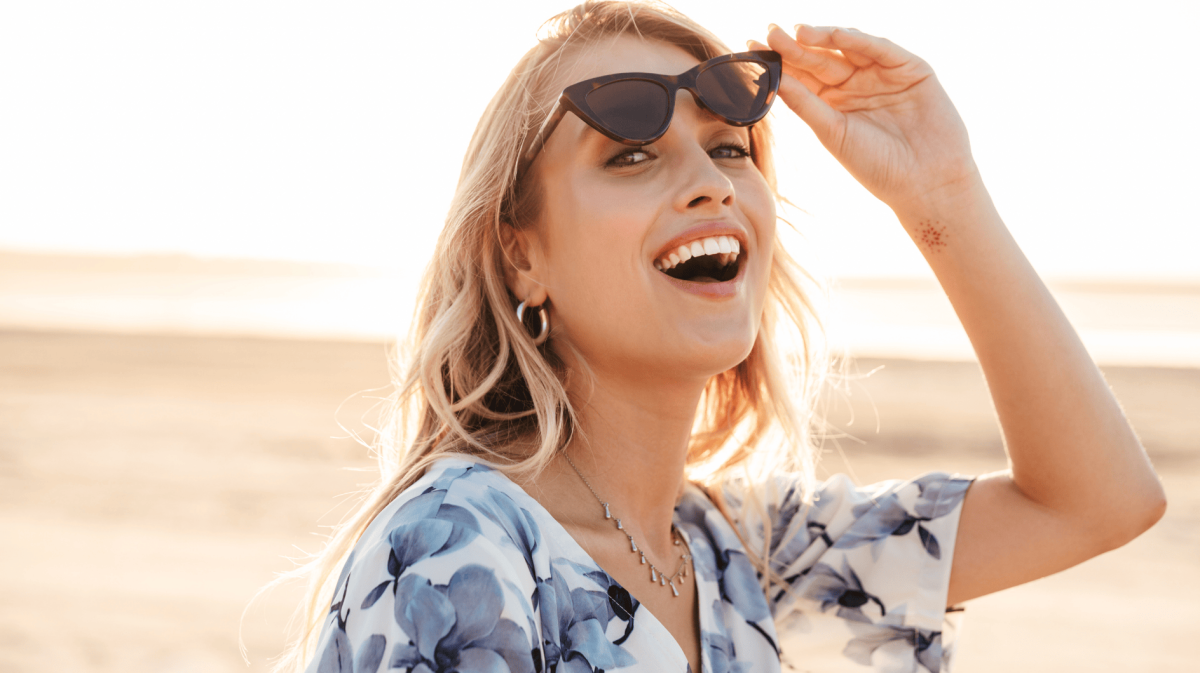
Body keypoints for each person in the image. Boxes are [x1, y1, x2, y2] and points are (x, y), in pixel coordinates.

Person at [278, 2, 1166, 671]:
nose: (710, 182)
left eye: (731, 147)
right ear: (520, 257)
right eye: (630, 154)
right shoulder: (458, 544)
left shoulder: (739, 550)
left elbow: (1096, 502)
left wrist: (943, 197)